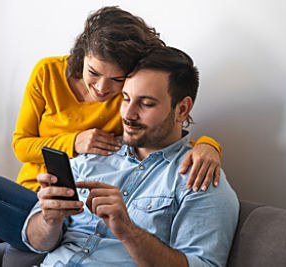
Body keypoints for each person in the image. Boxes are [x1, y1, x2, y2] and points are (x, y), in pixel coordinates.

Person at [0, 6, 221, 261]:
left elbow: (162, 129)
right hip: (24, 199)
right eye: (94, 73)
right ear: (81, 56)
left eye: (117, 80)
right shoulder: (47, 74)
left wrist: (210, 146)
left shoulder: (124, 102)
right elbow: (21, 145)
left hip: (64, 211)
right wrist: (74, 143)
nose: (102, 88)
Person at [23, 46, 239, 266]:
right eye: (125, 99)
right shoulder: (93, 156)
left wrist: (128, 231)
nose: (128, 114)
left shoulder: (199, 179)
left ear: (182, 109)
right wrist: (50, 220)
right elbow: (35, 242)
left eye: (146, 104)